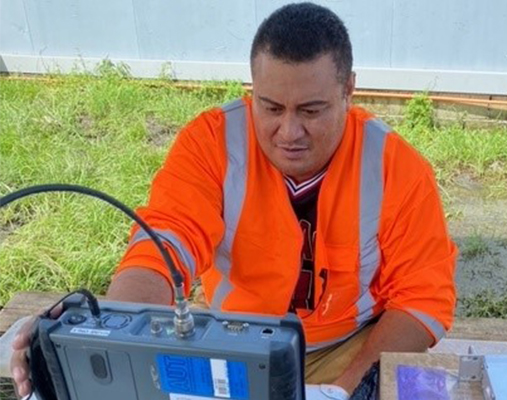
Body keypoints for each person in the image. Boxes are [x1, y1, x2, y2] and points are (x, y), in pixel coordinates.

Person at [12, 3, 457, 399]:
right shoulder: (211, 144)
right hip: (231, 342)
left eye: (311, 110)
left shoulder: (395, 166)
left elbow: (421, 297)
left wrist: (344, 389)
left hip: (349, 346)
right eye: (270, 107)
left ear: (349, 91)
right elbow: (163, 246)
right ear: (251, 91)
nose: (288, 132)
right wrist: (102, 333)